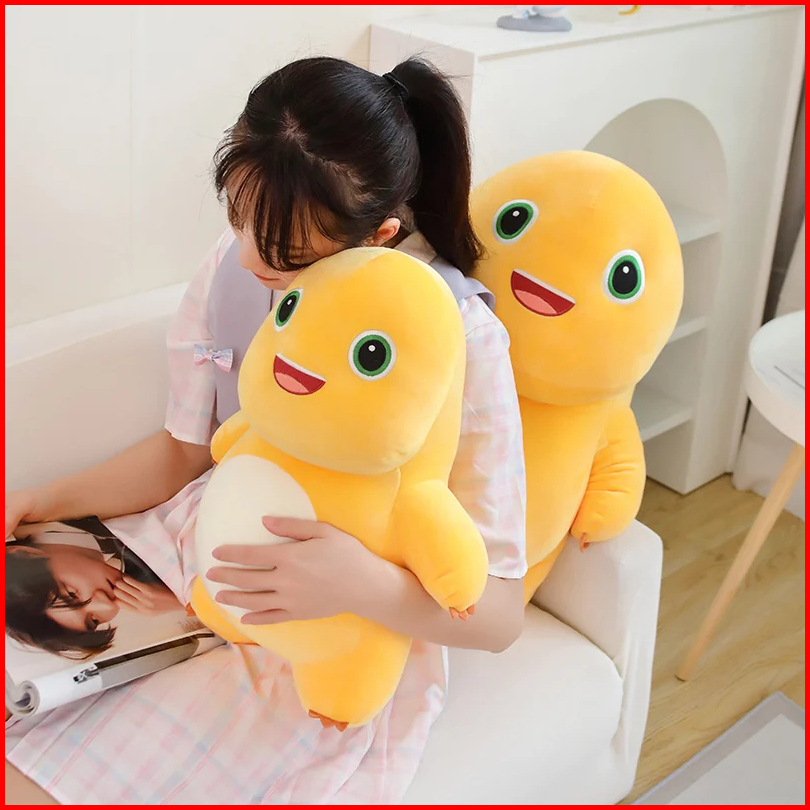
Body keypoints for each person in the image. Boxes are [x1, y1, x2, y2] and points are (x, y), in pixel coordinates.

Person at [4, 56, 527, 804]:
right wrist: (39, 501)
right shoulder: (237, 262)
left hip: (324, 633)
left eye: (287, 255)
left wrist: (361, 582)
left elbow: (499, 615)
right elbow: (185, 451)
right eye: (240, 217)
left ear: (379, 235)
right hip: (186, 550)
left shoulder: (457, 336)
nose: (249, 256)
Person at [5, 519, 181, 658]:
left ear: (25, 554)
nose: (108, 604)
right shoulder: (150, 582)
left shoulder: (52, 508)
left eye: (72, 594)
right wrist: (183, 602)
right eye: (94, 620)